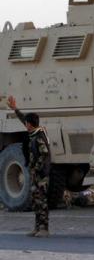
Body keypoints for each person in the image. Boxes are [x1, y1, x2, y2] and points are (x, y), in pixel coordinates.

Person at [6, 96, 51, 237]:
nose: (25, 125)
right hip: (35, 173)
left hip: (41, 174)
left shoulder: (39, 136)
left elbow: (44, 154)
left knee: (42, 201)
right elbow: (24, 119)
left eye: (26, 123)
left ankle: (44, 228)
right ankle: (37, 227)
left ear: (30, 125)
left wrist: (36, 168)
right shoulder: (33, 132)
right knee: (36, 200)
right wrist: (15, 109)